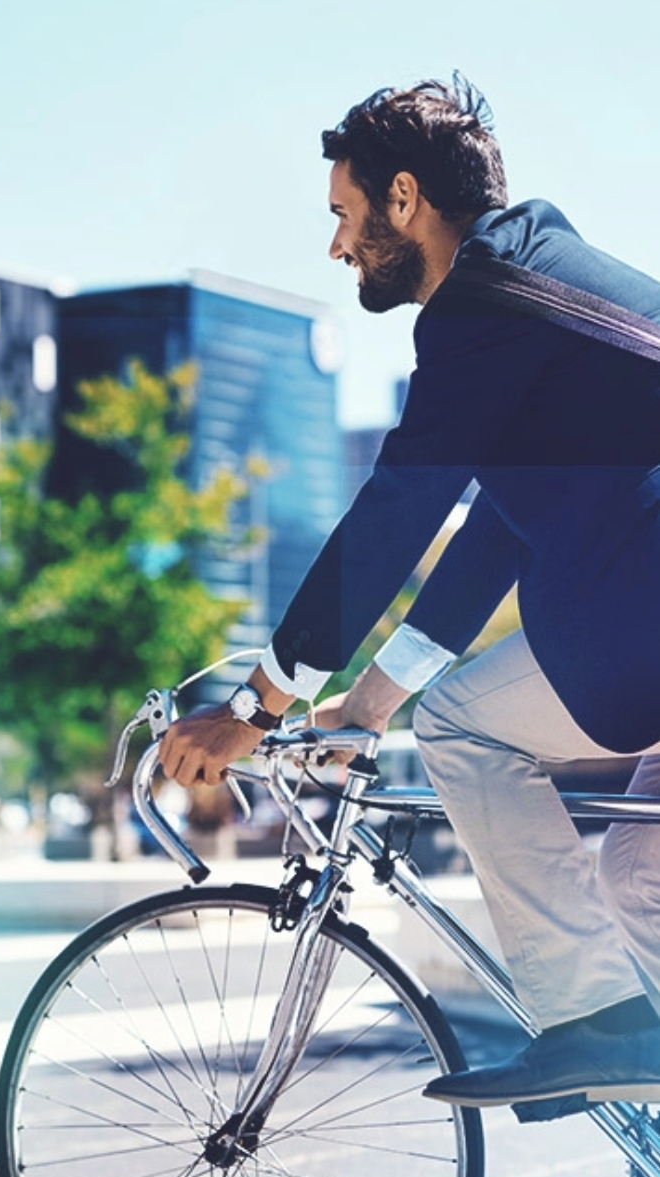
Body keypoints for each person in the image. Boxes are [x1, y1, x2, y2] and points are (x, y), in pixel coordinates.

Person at [159, 74, 660, 1113]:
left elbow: (398, 511)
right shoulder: (537, 284)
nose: (336, 247)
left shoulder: (483, 302)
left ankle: (598, 1022)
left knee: (468, 729)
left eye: (342, 215)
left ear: (402, 198)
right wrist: (367, 704)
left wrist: (259, 705)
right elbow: (489, 537)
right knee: (637, 875)